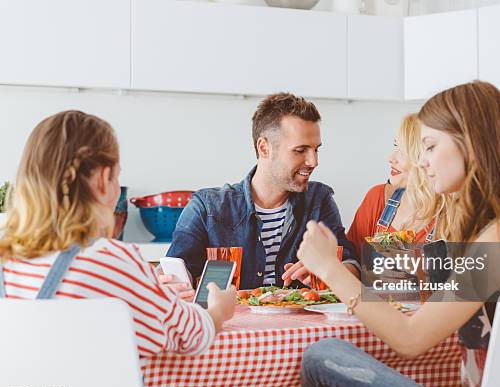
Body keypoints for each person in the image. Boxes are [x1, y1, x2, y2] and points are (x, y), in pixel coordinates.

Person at [296, 81, 500, 387]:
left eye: (430, 147)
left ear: (470, 145)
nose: (421, 162)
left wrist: (330, 269)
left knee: (323, 354)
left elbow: (410, 338)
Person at [0, 111, 236, 362]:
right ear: (104, 180)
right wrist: (218, 310)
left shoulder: (7, 261)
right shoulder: (112, 260)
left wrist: (150, 291)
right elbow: (192, 335)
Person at [162, 92, 359, 296]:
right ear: (264, 148)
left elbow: (351, 264)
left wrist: (330, 271)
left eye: (316, 150)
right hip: (229, 325)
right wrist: (168, 284)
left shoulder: (319, 201)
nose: (313, 161)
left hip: (301, 328)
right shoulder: (207, 207)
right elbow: (173, 273)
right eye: (300, 150)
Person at [346, 114, 450, 261]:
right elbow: (351, 262)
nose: (391, 158)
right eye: (396, 145)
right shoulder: (377, 198)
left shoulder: (451, 218)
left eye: (403, 150)